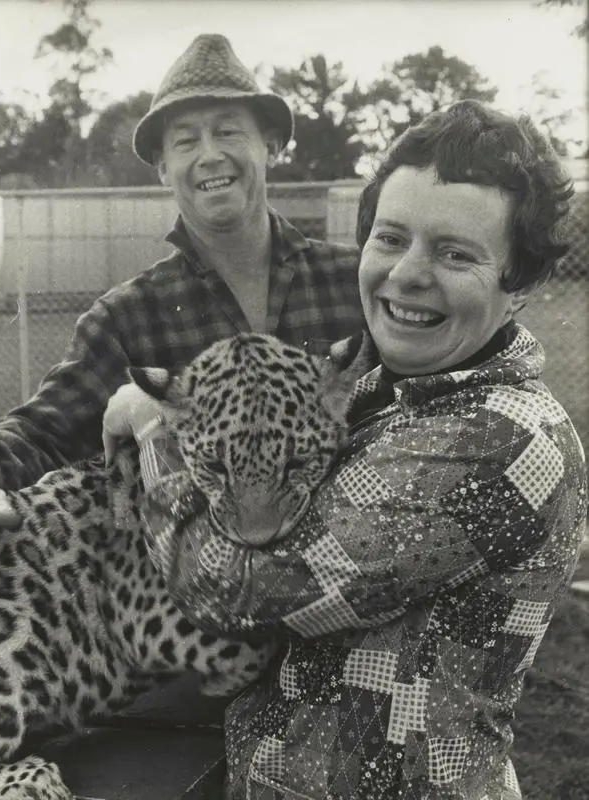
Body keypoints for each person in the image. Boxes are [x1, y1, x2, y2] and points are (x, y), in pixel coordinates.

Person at [137, 100, 587, 799]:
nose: (407, 274)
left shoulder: (499, 437)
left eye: (454, 252)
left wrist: (158, 433)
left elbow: (235, 590)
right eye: (391, 238)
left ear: (519, 282)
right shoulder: (380, 389)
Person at [0, 33, 363, 604]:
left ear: (270, 144)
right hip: (201, 627)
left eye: (227, 130)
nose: (209, 154)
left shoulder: (357, 280)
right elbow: (44, 430)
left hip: (350, 602)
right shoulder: (127, 315)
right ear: (162, 170)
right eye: (185, 140)